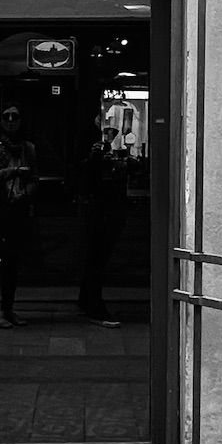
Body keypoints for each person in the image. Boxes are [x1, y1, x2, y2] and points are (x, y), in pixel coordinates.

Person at [0, 105, 38, 328]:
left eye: (16, 117)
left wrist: (25, 194)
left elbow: (35, 177)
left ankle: (8, 308)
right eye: (7, 117)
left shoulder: (27, 147)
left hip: (17, 209)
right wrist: (13, 172)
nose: (11, 121)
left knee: (12, 263)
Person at [78, 117, 126, 327]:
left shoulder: (108, 146)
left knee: (97, 256)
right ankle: (92, 302)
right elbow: (87, 173)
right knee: (96, 255)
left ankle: (88, 298)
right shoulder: (94, 146)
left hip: (106, 204)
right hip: (100, 206)